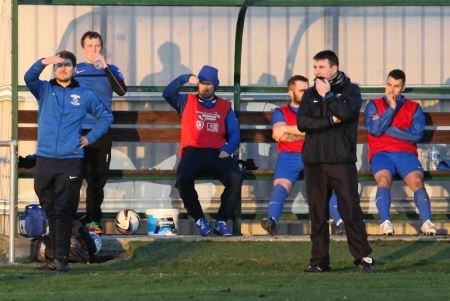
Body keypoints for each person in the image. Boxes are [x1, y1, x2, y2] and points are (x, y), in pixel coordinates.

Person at [24, 51, 113, 271]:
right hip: (45, 158)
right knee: (50, 207)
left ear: (74, 69)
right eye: (59, 65)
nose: (63, 68)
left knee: (64, 209)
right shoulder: (44, 90)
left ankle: (61, 259)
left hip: (70, 160)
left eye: (67, 65)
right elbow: (29, 78)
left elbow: (106, 117)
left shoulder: (84, 94)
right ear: (55, 69)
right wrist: (44, 62)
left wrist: (89, 138)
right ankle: (56, 256)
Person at [297, 50, 373, 273]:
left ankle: (363, 257)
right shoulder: (309, 93)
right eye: (315, 67)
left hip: (341, 161)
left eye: (321, 67)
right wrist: (330, 120)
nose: (316, 71)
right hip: (314, 162)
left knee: (350, 209)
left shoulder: (351, 90)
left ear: (334, 69)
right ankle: (319, 261)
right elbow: (303, 123)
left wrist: (329, 97)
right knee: (318, 213)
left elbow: (347, 114)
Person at [162, 65, 242, 237]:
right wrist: (185, 78)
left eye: (209, 84)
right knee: (183, 179)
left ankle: (221, 221)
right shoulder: (186, 101)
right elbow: (167, 93)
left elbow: (235, 133)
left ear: (215, 86)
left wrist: (227, 150)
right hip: (193, 152)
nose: (205, 87)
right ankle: (200, 219)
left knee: (235, 177)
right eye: (202, 83)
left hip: (217, 153)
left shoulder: (224, 106)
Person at [261, 75, 344, 235]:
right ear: (291, 93)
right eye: (302, 91)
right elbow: (279, 134)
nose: (307, 94)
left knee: (327, 187)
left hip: (314, 154)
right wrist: (310, 131)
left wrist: (290, 131)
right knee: (280, 187)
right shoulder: (281, 112)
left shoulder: (317, 109)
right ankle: (271, 221)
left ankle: (341, 222)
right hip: (289, 156)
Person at [365, 69, 437, 236]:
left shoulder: (414, 108)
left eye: (396, 86)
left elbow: (416, 135)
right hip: (381, 153)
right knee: (383, 180)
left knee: (418, 181)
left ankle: (427, 222)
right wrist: (391, 109)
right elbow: (374, 130)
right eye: (389, 84)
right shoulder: (373, 105)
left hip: (406, 153)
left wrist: (387, 128)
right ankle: (386, 223)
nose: (391, 89)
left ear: (403, 87)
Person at [74, 31, 127, 234]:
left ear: (102, 48)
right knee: (74, 176)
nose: (94, 50)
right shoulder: (76, 70)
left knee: (97, 179)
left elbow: (121, 90)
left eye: (97, 46)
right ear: (83, 49)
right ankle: (69, 221)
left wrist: (105, 67)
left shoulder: (111, 69)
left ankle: (93, 221)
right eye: (90, 46)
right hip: (77, 130)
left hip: (101, 130)